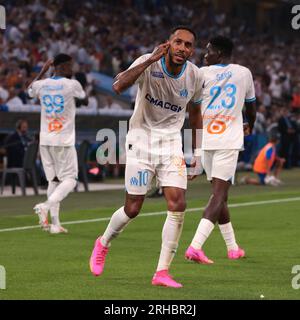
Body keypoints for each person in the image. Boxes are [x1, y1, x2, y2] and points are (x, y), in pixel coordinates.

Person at [89, 26, 203, 288]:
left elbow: (195, 114)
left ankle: (161, 272)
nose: (182, 48)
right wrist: (150, 59)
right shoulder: (147, 62)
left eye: (187, 45)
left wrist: (197, 153)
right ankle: (103, 242)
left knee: (178, 203)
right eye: (178, 42)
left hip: (172, 145)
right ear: (168, 44)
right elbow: (118, 86)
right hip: (140, 142)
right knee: (133, 208)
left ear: (191, 50)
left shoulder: (195, 75)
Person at [186, 36, 256, 264]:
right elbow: (251, 106)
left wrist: (195, 149)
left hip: (207, 140)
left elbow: (193, 113)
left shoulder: (201, 74)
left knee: (219, 195)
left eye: (208, 51)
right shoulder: (243, 72)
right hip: (227, 140)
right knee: (219, 195)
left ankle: (233, 247)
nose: (205, 55)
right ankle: (196, 247)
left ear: (220, 53)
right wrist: (250, 124)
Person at [28, 54, 88, 234]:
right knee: (71, 179)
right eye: (70, 66)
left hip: (45, 140)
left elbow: (29, 91)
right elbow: (84, 99)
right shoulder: (72, 84)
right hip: (63, 139)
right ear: (61, 66)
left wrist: (43, 71)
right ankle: (45, 206)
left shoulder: (41, 85)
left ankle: (54, 224)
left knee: (53, 181)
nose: (72, 69)